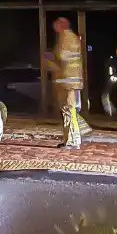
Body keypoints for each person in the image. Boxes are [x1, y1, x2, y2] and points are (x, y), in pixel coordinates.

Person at [46, 17, 86, 149]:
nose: (54, 29)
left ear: (61, 26)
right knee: (70, 110)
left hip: (66, 81)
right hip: (72, 81)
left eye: (56, 26)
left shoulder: (65, 37)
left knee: (68, 110)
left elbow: (62, 57)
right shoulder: (73, 37)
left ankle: (71, 141)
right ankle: (73, 139)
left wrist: (51, 60)